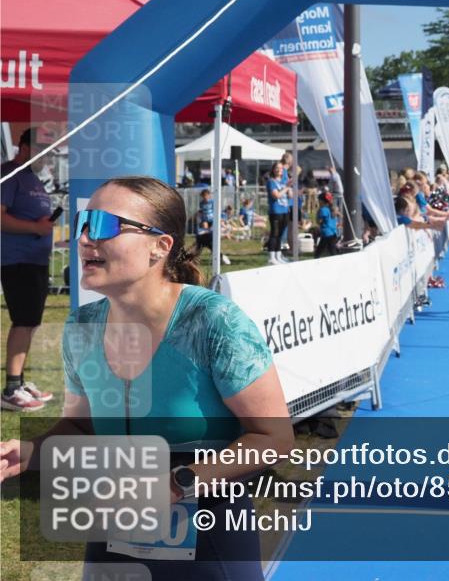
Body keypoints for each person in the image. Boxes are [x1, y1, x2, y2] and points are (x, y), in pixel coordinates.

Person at [0, 176, 293, 580]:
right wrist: (32, 452)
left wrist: (177, 484)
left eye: (104, 225)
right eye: (84, 223)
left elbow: (275, 439)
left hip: (209, 538)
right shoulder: (82, 325)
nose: (85, 238)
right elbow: (82, 426)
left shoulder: (212, 321)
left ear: (160, 245)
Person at [1, 128, 55, 411]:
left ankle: (19, 381)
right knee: (23, 321)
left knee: (30, 322)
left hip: (36, 260)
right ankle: (11, 389)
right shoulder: (9, 174)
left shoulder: (33, 178)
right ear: (22, 147)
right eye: (41, 150)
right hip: (17, 260)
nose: (45, 157)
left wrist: (42, 224)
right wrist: (35, 227)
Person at [266, 162, 291, 265]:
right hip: (276, 211)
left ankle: (278, 256)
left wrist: (289, 187)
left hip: (285, 211)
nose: (279, 170)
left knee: (280, 235)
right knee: (274, 234)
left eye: (281, 168)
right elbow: (276, 195)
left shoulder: (283, 182)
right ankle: (271, 257)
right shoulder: (271, 182)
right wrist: (286, 188)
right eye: (277, 168)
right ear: (273, 169)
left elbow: (290, 195)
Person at [314, 191, 340, 258]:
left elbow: (319, 221)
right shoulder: (332, 209)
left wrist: (317, 213)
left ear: (322, 201)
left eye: (318, 200)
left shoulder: (323, 210)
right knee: (331, 251)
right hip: (333, 233)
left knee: (319, 252)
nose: (318, 201)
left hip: (326, 234)